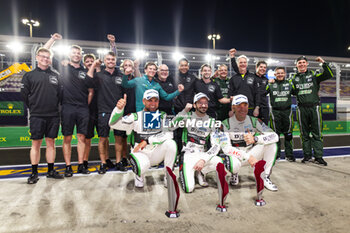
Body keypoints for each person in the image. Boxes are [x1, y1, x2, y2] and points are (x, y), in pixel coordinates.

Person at [44, 33, 93, 176]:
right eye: (74, 53)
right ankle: (68, 166)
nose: (76, 55)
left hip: (82, 108)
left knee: (82, 138)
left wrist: (85, 105)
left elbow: (91, 91)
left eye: (78, 53)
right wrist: (52, 40)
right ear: (69, 54)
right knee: (67, 138)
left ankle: (80, 165)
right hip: (67, 107)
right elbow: (46, 53)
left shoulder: (85, 71)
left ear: (81, 55)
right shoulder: (63, 66)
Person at [109, 90, 177, 188]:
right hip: (141, 153)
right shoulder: (135, 116)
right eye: (150, 100)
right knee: (141, 177)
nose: (153, 103)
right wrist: (118, 110)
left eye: (155, 100)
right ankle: (139, 175)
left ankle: (168, 176)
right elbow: (113, 124)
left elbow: (169, 134)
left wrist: (147, 141)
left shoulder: (162, 116)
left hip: (156, 152)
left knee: (171, 144)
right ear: (144, 101)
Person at [21, 47, 64, 183]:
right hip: (37, 115)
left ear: (50, 59)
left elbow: (60, 96)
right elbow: (24, 96)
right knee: (36, 144)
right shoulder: (29, 75)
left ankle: (50, 170)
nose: (45, 59)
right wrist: (34, 107)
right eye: (43, 56)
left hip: (53, 115)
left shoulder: (56, 75)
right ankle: (34, 173)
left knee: (51, 143)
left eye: (48, 57)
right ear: (37, 57)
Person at [221, 95, 279, 191]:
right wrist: (248, 157)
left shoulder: (255, 121)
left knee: (271, 144)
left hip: (252, 153)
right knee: (233, 164)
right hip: (236, 157)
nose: (242, 108)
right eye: (239, 105)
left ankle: (265, 177)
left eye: (245, 105)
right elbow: (226, 148)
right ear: (233, 107)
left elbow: (275, 136)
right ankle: (234, 173)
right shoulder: (225, 124)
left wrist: (255, 139)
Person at [171, 93, 223, 193]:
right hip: (188, 155)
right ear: (194, 105)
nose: (203, 105)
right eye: (200, 103)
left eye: (205, 103)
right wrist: (185, 110)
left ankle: (201, 171)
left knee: (219, 162)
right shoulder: (187, 116)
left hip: (202, 154)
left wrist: (203, 159)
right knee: (189, 189)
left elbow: (216, 145)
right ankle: (191, 170)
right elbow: (170, 126)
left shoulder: (211, 121)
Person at [87, 52, 127, 173]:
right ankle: (103, 163)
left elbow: (125, 92)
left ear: (116, 61)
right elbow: (88, 79)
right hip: (103, 110)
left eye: (112, 59)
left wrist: (123, 104)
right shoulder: (98, 75)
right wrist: (94, 64)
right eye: (108, 59)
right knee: (103, 139)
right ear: (104, 61)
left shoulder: (121, 75)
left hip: (118, 111)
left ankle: (119, 162)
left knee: (119, 138)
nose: (110, 61)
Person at [292, 56, 334, 166]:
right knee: (304, 134)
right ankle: (307, 156)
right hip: (301, 108)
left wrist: (323, 63)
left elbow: (329, 74)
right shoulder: (293, 79)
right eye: (299, 63)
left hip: (314, 108)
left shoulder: (313, 75)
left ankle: (318, 157)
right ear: (296, 65)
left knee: (317, 133)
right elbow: (288, 91)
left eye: (303, 62)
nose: (301, 64)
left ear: (307, 64)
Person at [266, 67, 295, 161]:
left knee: (288, 135)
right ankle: (276, 154)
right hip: (275, 112)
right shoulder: (270, 84)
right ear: (275, 75)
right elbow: (262, 92)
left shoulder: (290, 83)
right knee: (275, 135)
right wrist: (268, 83)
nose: (280, 75)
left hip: (287, 112)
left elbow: (297, 92)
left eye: (282, 73)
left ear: (285, 74)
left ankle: (289, 155)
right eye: (278, 73)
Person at [228, 49, 260, 117]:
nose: (243, 64)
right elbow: (230, 95)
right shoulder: (233, 78)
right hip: (237, 109)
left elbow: (257, 93)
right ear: (238, 64)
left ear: (247, 64)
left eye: (244, 62)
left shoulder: (253, 77)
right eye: (241, 62)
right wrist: (231, 109)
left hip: (250, 109)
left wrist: (257, 108)